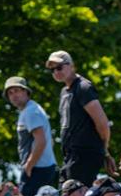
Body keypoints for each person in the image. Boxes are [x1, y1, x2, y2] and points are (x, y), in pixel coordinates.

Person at [47, 50, 116, 185]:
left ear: (71, 66)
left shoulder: (83, 87)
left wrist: (105, 151)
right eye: (52, 70)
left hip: (84, 153)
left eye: (59, 67)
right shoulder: (64, 91)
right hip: (70, 156)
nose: (56, 72)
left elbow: (102, 123)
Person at [3, 76, 58, 196]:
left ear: (26, 91)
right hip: (43, 167)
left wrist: (28, 166)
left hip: (37, 169)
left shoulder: (30, 111)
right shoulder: (32, 109)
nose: (14, 95)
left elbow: (41, 141)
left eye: (17, 90)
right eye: (10, 93)